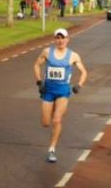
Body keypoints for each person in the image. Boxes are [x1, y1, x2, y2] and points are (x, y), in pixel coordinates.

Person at [33, 28, 88, 163]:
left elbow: (84, 72)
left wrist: (79, 85)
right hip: (48, 91)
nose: (60, 40)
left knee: (57, 120)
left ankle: (52, 149)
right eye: (57, 38)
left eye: (62, 38)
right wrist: (39, 82)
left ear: (68, 39)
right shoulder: (47, 52)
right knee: (46, 123)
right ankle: (53, 111)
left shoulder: (73, 55)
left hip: (63, 91)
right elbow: (36, 65)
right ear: (54, 40)